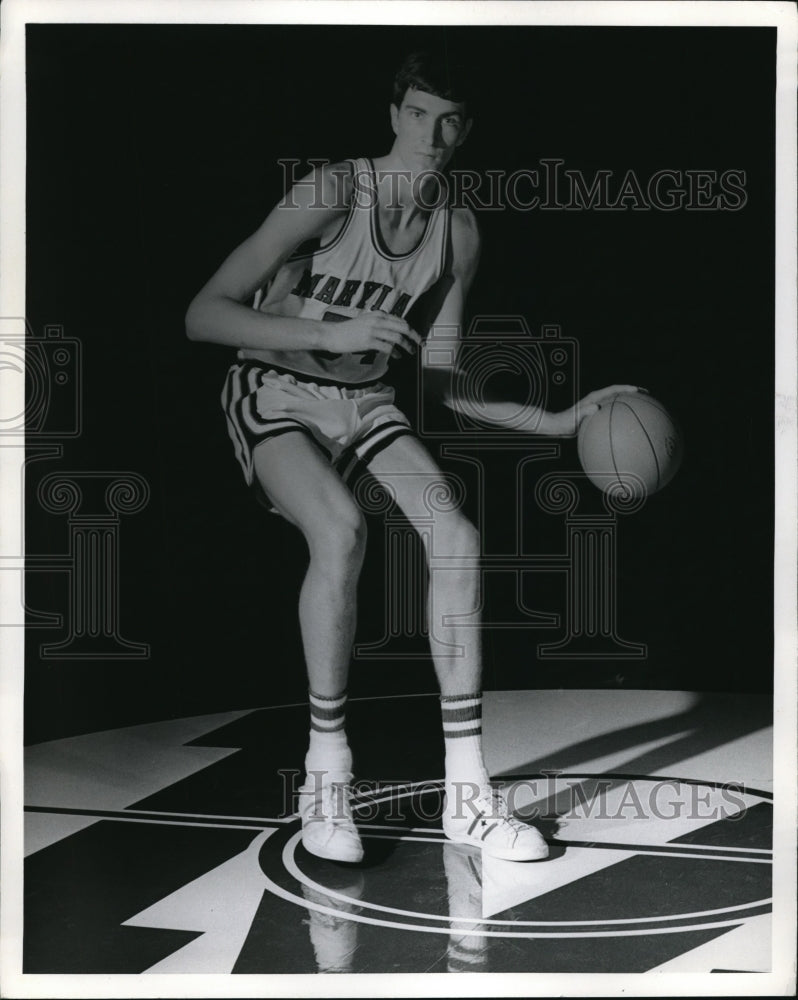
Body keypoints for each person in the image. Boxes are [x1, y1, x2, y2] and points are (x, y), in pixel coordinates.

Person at [186, 50, 636, 864]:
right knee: (342, 530)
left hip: (364, 403)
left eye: (452, 118)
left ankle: (467, 795)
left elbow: (445, 380)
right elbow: (203, 314)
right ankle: (326, 779)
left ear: (470, 128)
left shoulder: (458, 231)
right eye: (420, 113)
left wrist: (560, 421)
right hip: (273, 390)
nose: (434, 133)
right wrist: (332, 333)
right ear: (395, 114)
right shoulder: (332, 191)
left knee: (457, 536)